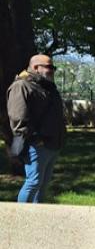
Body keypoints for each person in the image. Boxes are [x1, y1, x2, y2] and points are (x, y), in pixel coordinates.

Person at [7, 54, 66, 203]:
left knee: (43, 184)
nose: (52, 70)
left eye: (53, 67)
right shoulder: (21, 86)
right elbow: (18, 118)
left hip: (53, 144)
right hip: (36, 144)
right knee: (33, 182)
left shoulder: (48, 86)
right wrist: (34, 139)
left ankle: (37, 218)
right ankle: (21, 218)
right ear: (35, 67)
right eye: (49, 67)